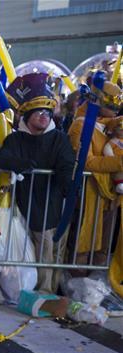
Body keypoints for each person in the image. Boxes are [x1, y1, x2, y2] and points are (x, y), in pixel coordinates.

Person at [0, 72, 75, 293]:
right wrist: (19, 163)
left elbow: (66, 164)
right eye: (38, 112)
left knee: (54, 252)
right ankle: (38, 293)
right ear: (27, 115)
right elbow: (1, 157)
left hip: (55, 204)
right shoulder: (15, 139)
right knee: (39, 251)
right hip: (27, 205)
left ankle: (49, 293)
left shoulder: (59, 139)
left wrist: (67, 181)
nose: (44, 116)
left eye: (47, 112)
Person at [67, 75, 123, 269]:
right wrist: (119, 162)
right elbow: (86, 162)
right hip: (87, 194)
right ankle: (77, 289)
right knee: (83, 246)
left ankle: (97, 289)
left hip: (107, 195)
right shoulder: (80, 125)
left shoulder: (105, 122)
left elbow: (113, 121)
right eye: (112, 102)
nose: (116, 108)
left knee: (103, 248)